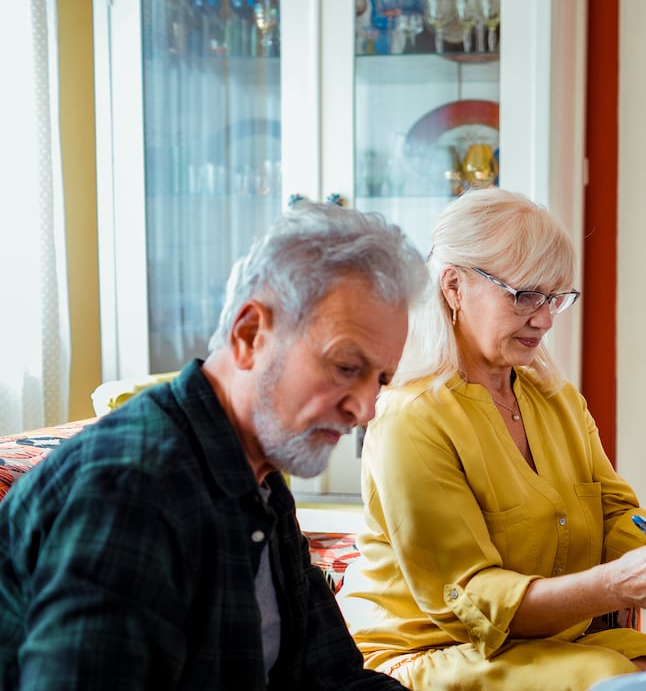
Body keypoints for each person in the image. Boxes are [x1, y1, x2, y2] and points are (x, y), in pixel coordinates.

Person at [0, 201, 427, 688]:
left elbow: (332, 679)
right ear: (249, 334)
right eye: (346, 368)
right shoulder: (130, 491)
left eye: (382, 381)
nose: (366, 410)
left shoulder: (261, 473)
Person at [337, 188, 646, 690]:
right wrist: (615, 586)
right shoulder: (411, 419)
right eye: (525, 295)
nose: (543, 318)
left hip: (543, 643)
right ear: (453, 287)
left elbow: (615, 517)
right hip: (431, 650)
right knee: (608, 677)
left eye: (555, 297)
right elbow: (468, 604)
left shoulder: (555, 398)